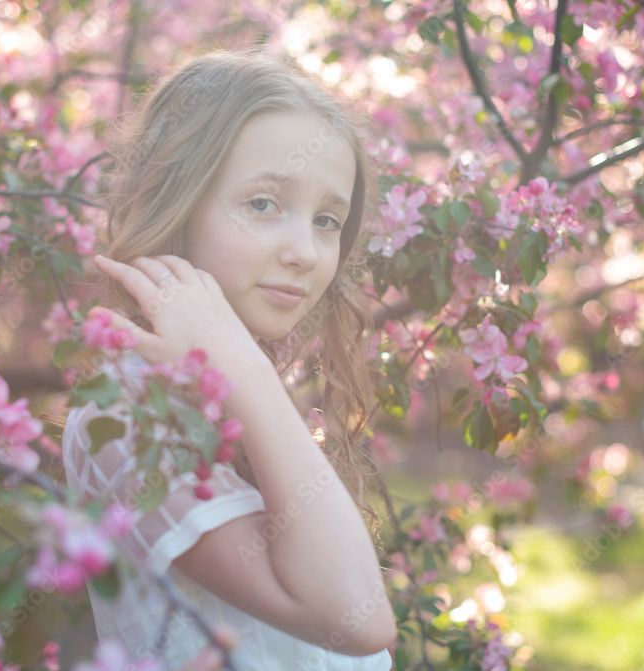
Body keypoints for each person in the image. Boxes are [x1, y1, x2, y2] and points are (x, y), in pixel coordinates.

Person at [61, 49, 397, 670]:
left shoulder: (234, 393)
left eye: (328, 220)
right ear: (177, 203)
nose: (305, 251)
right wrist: (247, 372)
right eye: (263, 204)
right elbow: (362, 619)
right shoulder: (127, 415)